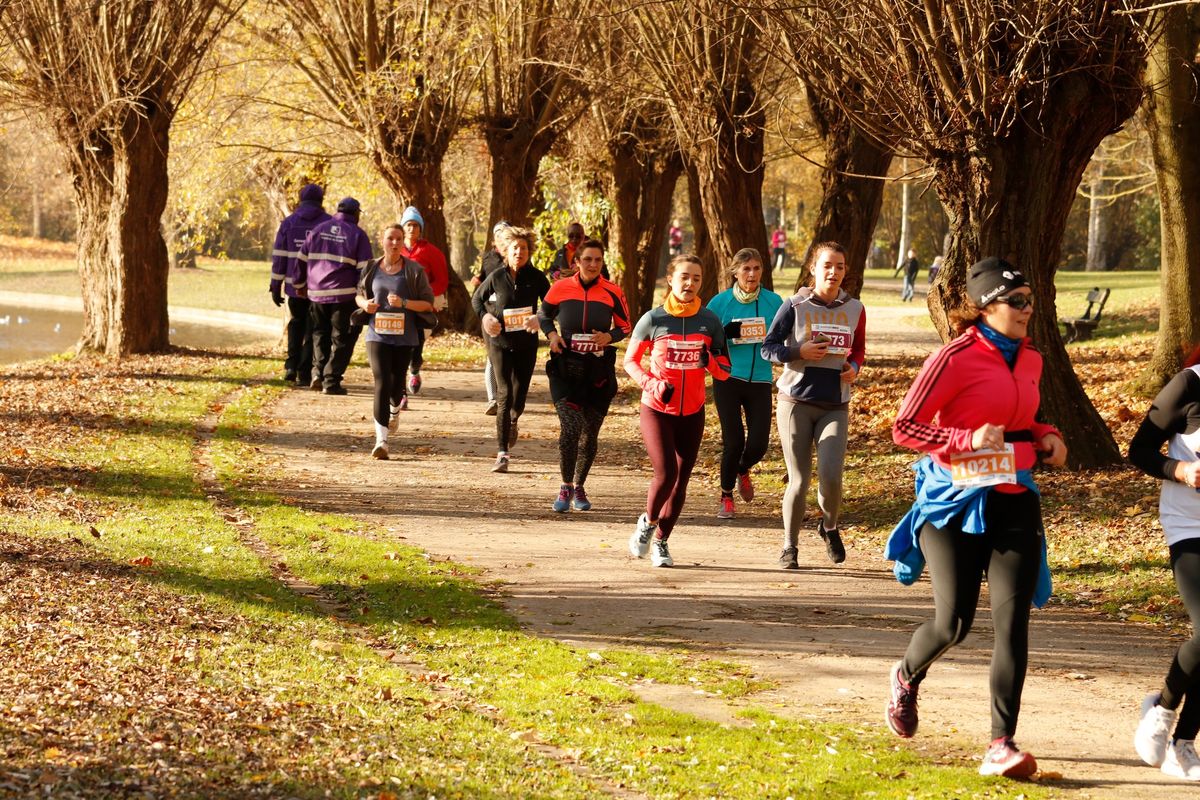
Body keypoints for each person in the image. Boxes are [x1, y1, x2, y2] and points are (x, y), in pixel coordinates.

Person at [882, 257, 1068, 779]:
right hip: (954, 503)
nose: (1028, 309)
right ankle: (905, 674)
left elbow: (1025, 420)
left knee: (1013, 626)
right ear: (987, 307)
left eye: (1031, 299)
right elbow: (905, 428)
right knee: (955, 622)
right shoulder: (954, 358)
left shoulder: (1031, 359)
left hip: (1013, 496)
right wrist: (964, 439)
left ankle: (1001, 743)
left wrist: (1046, 435)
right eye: (1017, 300)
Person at [761, 242, 864, 569]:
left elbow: (858, 351)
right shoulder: (795, 304)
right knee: (800, 479)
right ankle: (789, 547)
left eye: (840, 266)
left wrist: (854, 369)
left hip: (835, 403)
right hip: (796, 401)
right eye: (827, 266)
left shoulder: (855, 309)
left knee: (832, 477)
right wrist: (799, 352)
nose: (834, 272)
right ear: (814, 269)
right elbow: (769, 348)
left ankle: (828, 526)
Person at [625, 254, 729, 567]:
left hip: (693, 411)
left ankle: (662, 542)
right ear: (671, 280)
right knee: (666, 472)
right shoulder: (653, 320)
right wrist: (652, 384)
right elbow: (629, 361)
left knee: (681, 480)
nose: (690, 283)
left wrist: (708, 360)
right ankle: (647, 522)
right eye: (684, 277)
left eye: (696, 278)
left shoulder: (709, 321)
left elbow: (724, 370)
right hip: (657, 408)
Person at [1129, 344, 1200, 782]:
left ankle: (1184, 745)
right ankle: (1163, 708)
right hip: (1189, 523)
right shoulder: (1189, 384)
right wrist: (1182, 472)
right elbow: (1138, 451)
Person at [539, 239, 631, 512]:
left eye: (597, 260)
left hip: (598, 370)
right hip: (566, 366)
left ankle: (579, 486)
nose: (592, 265)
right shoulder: (560, 288)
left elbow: (625, 326)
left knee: (590, 434)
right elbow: (544, 315)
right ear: (577, 262)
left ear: (602, 263)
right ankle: (565, 486)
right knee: (570, 427)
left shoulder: (612, 291)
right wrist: (552, 334)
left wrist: (609, 336)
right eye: (587, 259)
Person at [706, 248, 783, 519]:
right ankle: (726, 495)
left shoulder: (774, 301)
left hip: (761, 378)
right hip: (728, 378)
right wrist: (724, 336)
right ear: (735, 272)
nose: (752, 274)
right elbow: (706, 339)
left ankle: (741, 468)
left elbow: (785, 337)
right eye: (746, 269)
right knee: (734, 440)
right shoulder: (720, 303)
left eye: (757, 268)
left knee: (759, 443)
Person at [472, 226, 551, 473]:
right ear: (506, 250)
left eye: (524, 248)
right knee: (504, 395)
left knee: (519, 398)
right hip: (500, 344)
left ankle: (514, 419)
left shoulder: (537, 278)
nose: (519, 252)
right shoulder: (496, 276)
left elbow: (552, 305)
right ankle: (502, 453)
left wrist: (540, 317)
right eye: (515, 248)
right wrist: (485, 319)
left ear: (529, 251)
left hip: (527, 344)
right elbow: (477, 299)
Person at [354, 224, 437, 459]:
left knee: (396, 384)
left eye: (399, 239)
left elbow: (427, 304)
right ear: (382, 240)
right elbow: (359, 294)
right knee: (380, 380)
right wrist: (364, 304)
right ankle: (382, 441)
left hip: (405, 336)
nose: (394, 243)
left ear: (403, 243)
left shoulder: (414, 270)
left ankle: (395, 409)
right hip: (376, 334)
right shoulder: (371, 267)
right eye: (390, 238)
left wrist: (404, 303)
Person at [297, 197, 374, 395]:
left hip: (316, 293)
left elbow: (301, 259)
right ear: (356, 213)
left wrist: (299, 284)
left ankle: (317, 374)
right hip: (344, 295)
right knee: (343, 338)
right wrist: (364, 296)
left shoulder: (318, 229)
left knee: (319, 334)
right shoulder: (358, 234)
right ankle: (331, 381)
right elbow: (364, 270)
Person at [269, 184, 330, 387]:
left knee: (295, 324)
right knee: (314, 328)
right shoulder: (329, 224)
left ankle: (290, 366)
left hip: (293, 286)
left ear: (300, 199)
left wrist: (275, 285)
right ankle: (305, 372)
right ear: (321, 200)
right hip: (319, 288)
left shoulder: (288, 223)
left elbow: (280, 257)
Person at [396, 206, 448, 398]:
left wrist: (426, 296)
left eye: (415, 225)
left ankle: (415, 369)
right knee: (398, 348)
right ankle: (400, 393)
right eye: (408, 225)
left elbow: (441, 280)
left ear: (420, 229)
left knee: (416, 345)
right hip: (398, 307)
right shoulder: (396, 248)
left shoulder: (431, 251)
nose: (411, 229)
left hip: (419, 306)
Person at [473, 222, 510, 416]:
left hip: (512, 315)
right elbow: (482, 279)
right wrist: (477, 281)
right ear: (494, 239)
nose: (502, 238)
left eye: (506, 234)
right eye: (498, 234)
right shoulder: (489, 257)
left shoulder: (518, 256)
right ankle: (493, 399)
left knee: (510, 357)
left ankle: (508, 396)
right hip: (491, 312)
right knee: (491, 356)